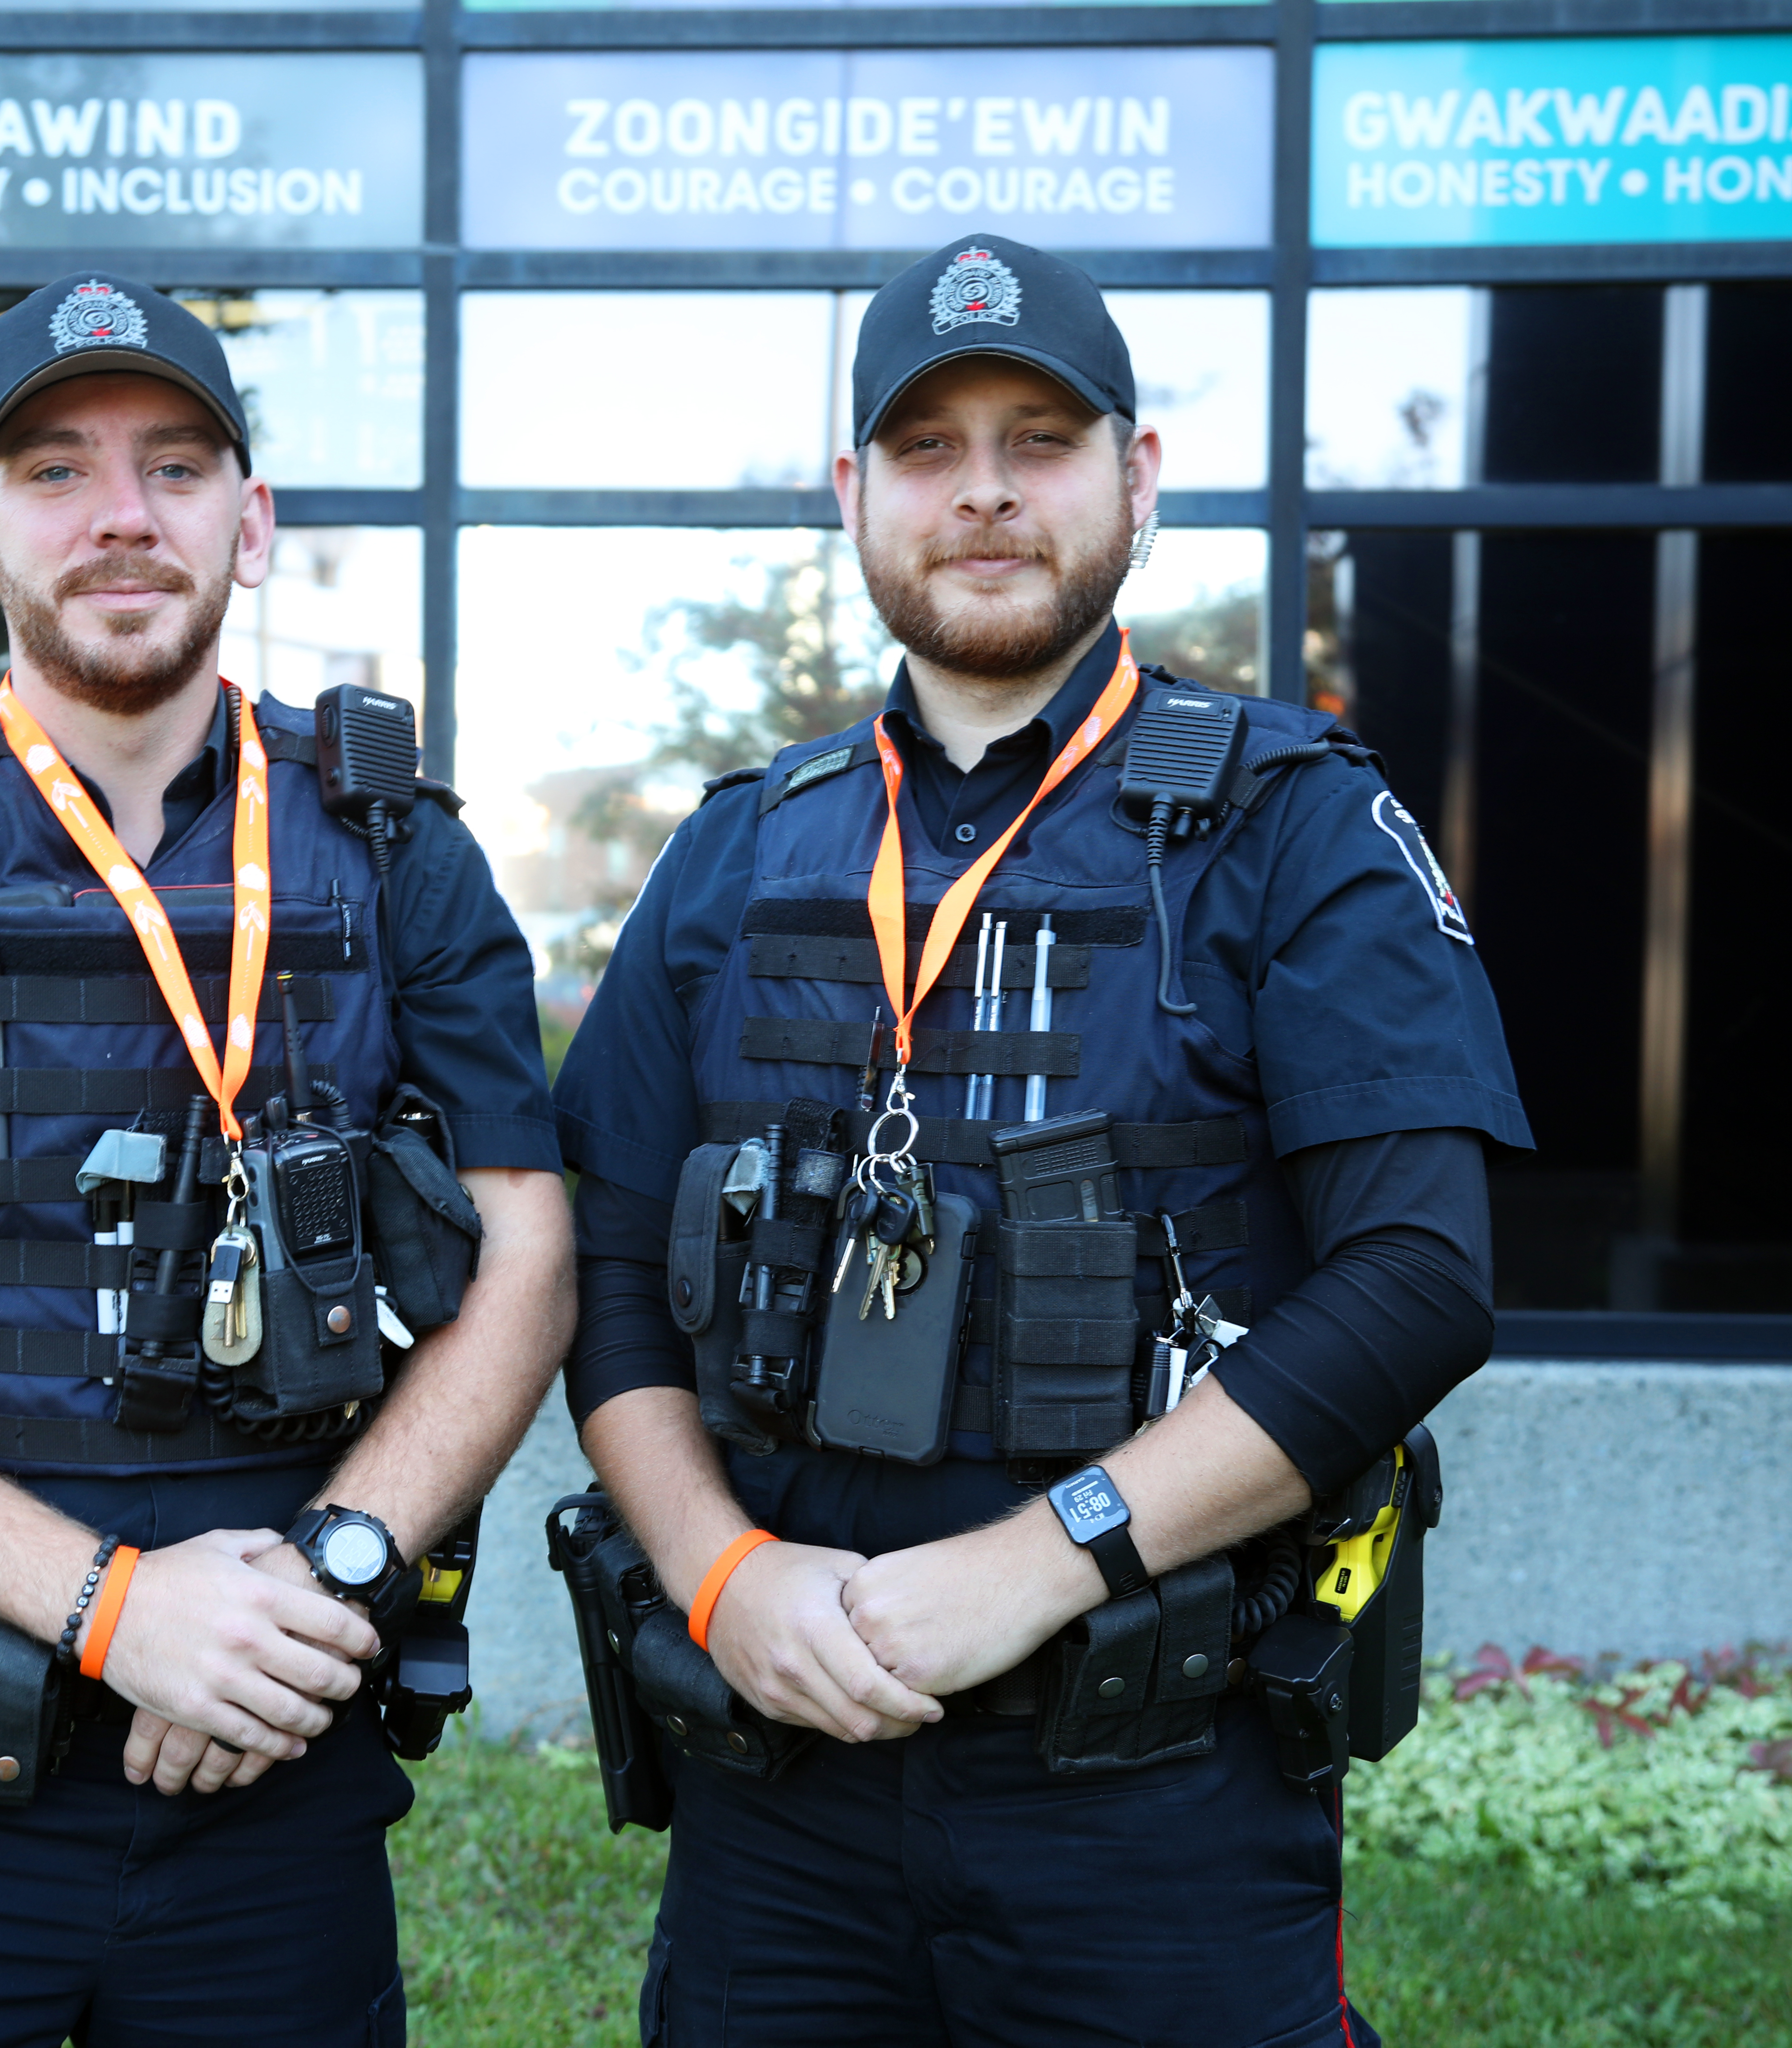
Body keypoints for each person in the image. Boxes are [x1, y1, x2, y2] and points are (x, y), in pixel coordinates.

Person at [556, 233, 1529, 2047]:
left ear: (1137, 478)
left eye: (1041, 439)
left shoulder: (1295, 828)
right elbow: (605, 1275)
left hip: (1155, 1789)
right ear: (853, 496)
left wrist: (1037, 1560)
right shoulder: (733, 852)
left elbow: (1419, 1284)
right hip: (781, 1787)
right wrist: (717, 1567)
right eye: (928, 448)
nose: (986, 491)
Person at [0, 270, 573, 2046]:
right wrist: (114, 1613)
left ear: (253, 521)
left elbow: (528, 1262)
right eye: (55, 471)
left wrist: (335, 1576)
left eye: (173, 464)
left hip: (274, 1764)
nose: (122, 516)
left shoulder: (398, 855)